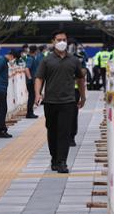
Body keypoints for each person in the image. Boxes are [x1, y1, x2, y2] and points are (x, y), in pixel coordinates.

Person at [34, 30, 86, 174]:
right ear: (53, 42)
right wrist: (38, 94)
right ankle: (54, 158)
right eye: (59, 39)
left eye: (64, 39)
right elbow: (39, 78)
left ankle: (62, 161)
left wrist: (83, 96)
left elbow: (80, 79)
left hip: (68, 101)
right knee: (52, 131)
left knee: (64, 132)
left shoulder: (74, 60)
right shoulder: (46, 60)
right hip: (50, 102)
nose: (62, 42)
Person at [0, 49, 15, 137]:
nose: (13, 60)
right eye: (13, 58)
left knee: (1, 109)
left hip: (0, 88)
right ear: (11, 56)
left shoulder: (3, 61)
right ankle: (1, 130)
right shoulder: (1, 60)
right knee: (2, 109)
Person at [25, 45, 40, 118]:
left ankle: (30, 112)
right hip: (30, 82)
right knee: (31, 97)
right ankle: (29, 113)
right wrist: (30, 78)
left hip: (32, 81)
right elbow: (27, 68)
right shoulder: (30, 59)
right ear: (35, 51)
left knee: (32, 96)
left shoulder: (32, 58)